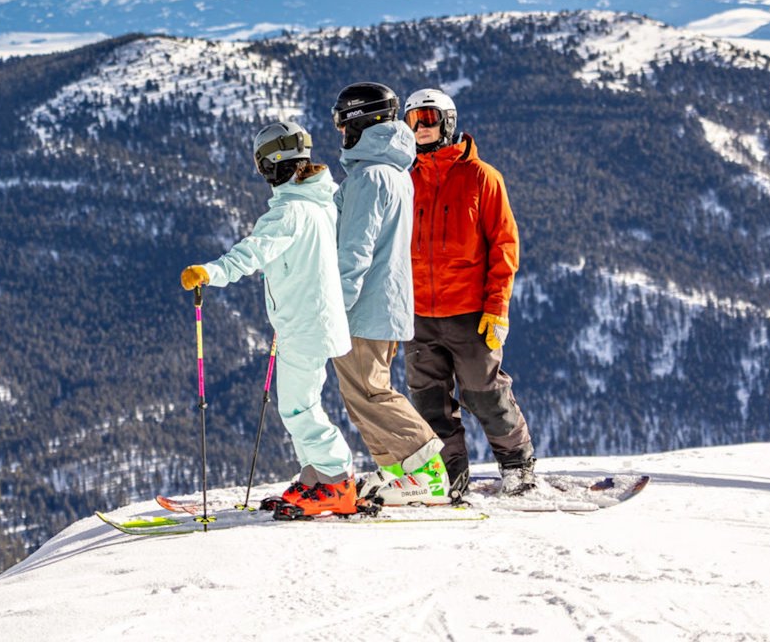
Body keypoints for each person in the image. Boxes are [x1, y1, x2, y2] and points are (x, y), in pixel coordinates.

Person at [180, 120, 363, 517]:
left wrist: (210, 272)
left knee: (298, 408)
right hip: (313, 318)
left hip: (305, 323)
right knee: (300, 402)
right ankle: (316, 476)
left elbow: (254, 251)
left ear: (270, 166)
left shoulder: (290, 212)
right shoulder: (320, 202)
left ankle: (337, 478)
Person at [401, 87, 536, 497]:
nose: (420, 128)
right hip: (418, 314)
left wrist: (497, 308)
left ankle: (517, 466)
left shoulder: (481, 177)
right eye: (412, 121)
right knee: (429, 402)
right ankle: (450, 475)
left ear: (447, 121)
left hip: (469, 312)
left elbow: (504, 246)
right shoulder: (405, 179)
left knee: (486, 394)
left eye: (428, 118)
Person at [329, 83, 450, 505]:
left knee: (370, 391)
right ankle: (400, 471)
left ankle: (427, 472)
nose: (340, 130)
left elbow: (355, 251)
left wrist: (334, 308)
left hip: (364, 305)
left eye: (342, 121)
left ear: (359, 122)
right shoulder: (394, 171)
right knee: (363, 391)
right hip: (387, 302)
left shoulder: (369, 176)